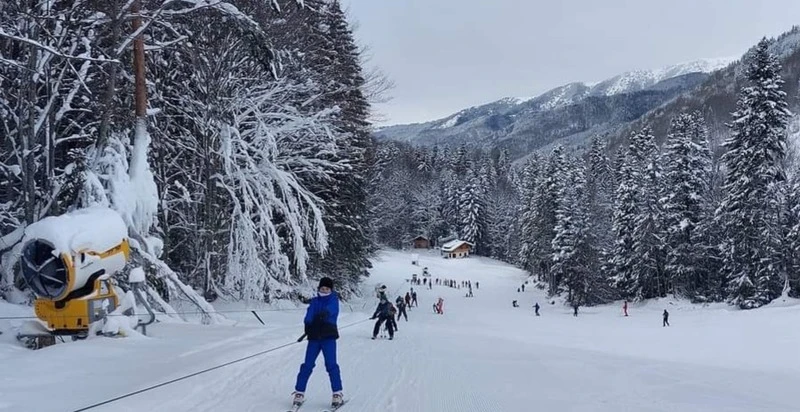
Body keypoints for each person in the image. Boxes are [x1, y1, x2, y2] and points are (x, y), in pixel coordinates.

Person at [293, 277, 343, 409]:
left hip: (328, 337)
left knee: (331, 365)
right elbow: (309, 314)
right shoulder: (314, 301)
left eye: (327, 288)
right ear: (319, 289)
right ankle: (299, 392)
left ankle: (337, 393)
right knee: (307, 365)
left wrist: (323, 315)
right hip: (314, 337)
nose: (324, 290)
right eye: (322, 288)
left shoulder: (334, 300)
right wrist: (308, 324)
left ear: (330, 290)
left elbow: (332, 310)